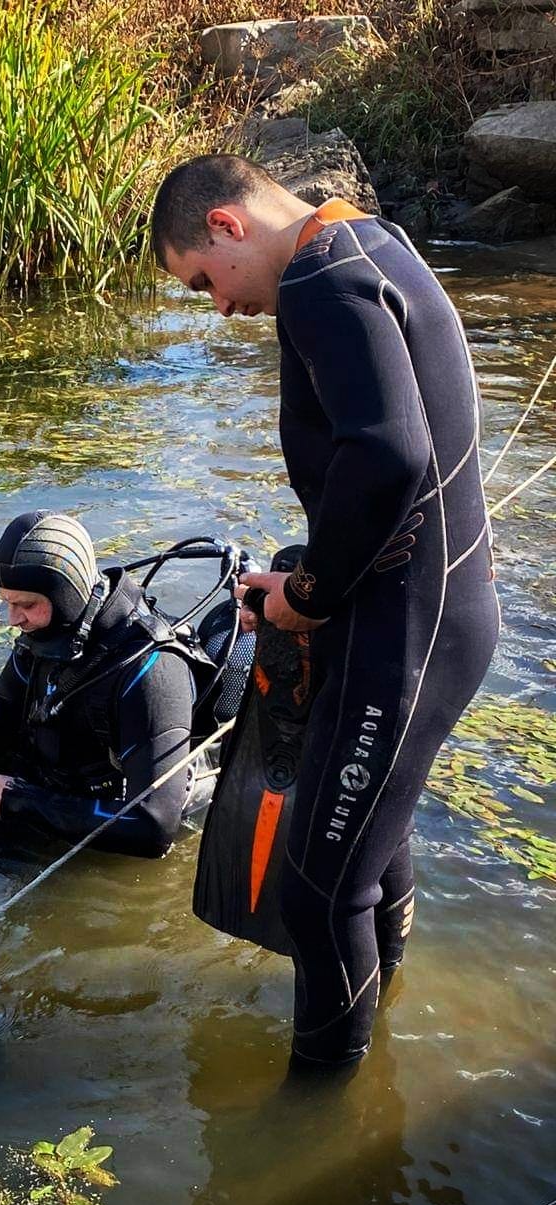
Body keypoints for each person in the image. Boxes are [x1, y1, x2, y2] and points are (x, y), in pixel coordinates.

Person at [151, 154, 499, 1068]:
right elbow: (385, 462)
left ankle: (316, 1149)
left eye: (203, 282)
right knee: (367, 858)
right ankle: (375, 1041)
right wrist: (311, 585)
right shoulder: (369, 242)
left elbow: (389, 458)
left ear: (227, 225)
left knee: (315, 893)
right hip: (428, 614)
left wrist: (307, 597)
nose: (218, 307)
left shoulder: (318, 281)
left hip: (409, 635)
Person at [0, 510, 211, 858]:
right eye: (7, 602)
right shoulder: (52, 632)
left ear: (66, 595)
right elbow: (3, 701)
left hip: (114, 807)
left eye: (26, 605)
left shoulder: (150, 671)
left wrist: (17, 800)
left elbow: (152, 826)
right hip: (56, 778)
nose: (12, 619)